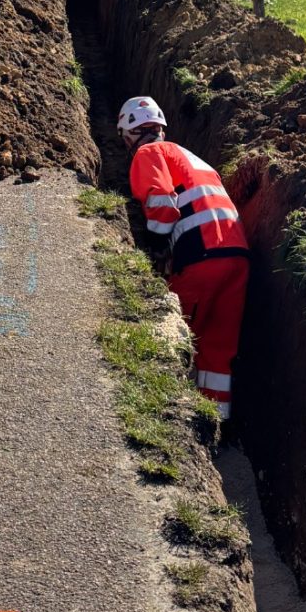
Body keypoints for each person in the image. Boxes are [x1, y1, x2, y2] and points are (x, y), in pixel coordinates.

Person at [118, 96, 248, 422]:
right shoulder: (195, 158)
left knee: (175, 336)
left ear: (129, 133)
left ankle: (167, 420)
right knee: (218, 347)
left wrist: (156, 246)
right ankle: (215, 424)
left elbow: (162, 203)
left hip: (201, 257)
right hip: (237, 256)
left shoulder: (148, 153)